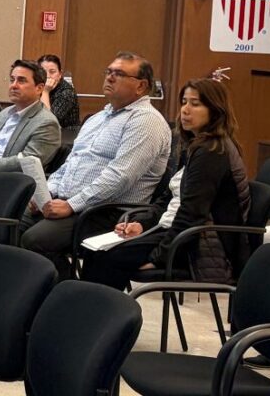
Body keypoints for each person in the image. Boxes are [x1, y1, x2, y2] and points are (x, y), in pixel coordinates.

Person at [81, 78, 250, 290]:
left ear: (215, 110)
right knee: (95, 250)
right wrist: (143, 224)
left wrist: (161, 256)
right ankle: (92, 314)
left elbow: (192, 213)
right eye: (184, 102)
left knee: (107, 258)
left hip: (199, 248)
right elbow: (170, 199)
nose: (185, 110)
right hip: (175, 232)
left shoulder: (212, 151)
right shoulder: (193, 144)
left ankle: (97, 317)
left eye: (195, 104)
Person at [19, 51, 172, 279]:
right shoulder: (98, 117)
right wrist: (46, 195)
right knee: (13, 224)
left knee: (36, 240)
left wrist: (71, 204)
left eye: (118, 74)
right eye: (108, 72)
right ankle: (33, 299)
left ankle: (69, 297)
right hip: (70, 202)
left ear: (141, 86)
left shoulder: (146, 121)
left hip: (109, 211)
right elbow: (72, 162)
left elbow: (120, 176)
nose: (109, 77)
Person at [37, 54, 80, 129]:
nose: (48, 76)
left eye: (52, 72)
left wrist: (45, 91)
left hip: (66, 136)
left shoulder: (67, 93)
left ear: (60, 74)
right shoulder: (38, 86)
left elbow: (48, 122)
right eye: (43, 72)